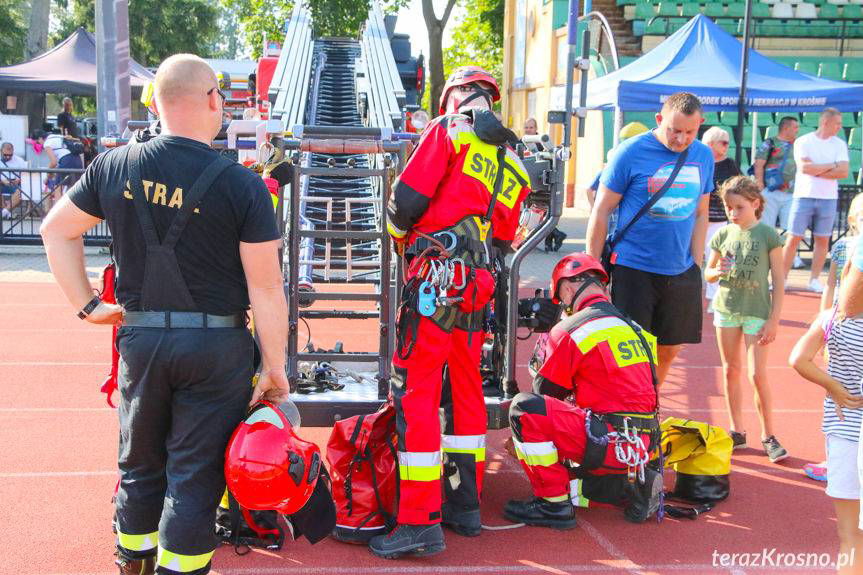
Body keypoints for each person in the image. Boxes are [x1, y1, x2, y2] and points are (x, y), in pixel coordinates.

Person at [39, 53, 290, 575]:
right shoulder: (242, 185)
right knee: (195, 474)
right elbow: (266, 287)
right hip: (216, 347)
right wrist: (274, 367)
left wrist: (87, 306)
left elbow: (55, 230)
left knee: (139, 463)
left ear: (153, 103)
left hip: (141, 339)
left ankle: (132, 563)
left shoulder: (115, 166)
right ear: (213, 101)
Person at [373, 65, 530, 559]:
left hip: (433, 280)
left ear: (456, 97)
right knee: (466, 391)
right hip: (475, 289)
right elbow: (503, 241)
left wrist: (402, 245)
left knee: (417, 395)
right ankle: (465, 506)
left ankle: (419, 520)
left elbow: (404, 203)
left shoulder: (450, 131)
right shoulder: (514, 163)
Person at [505, 253, 662, 529]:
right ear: (602, 287)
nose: (564, 306)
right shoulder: (636, 330)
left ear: (567, 289)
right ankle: (624, 486)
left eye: (562, 300)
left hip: (607, 442)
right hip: (643, 447)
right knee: (583, 484)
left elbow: (544, 397)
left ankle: (552, 504)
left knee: (524, 408)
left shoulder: (571, 329)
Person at [587, 92, 714, 386]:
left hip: (680, 270)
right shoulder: (630, 152)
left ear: (700, 125)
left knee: (669, 348)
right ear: (659, 120)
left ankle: (648, 406)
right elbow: (602, 209)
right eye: (674, 130)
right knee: (628, 351)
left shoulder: (703, 155)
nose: (681, 139)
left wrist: (695, 265)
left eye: (690, 132)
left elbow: (701, 213)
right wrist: (592, 268)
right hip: (634, 268)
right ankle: (624, 410)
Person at [705, 176, 787, 461]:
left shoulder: (767, 235)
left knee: (756, 374)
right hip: (727, 308)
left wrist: (774, 320)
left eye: (739, 207)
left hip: (757, 311)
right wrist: (717, 272)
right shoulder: (724, 234)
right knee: (730, 370)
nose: (733, 213)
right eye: (729, 207)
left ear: (755, 204)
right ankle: (736, 430)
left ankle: (769, 435)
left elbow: (778, 278)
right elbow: (709, 271)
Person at [790, 273, 863, 575]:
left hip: (844, 431)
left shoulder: (832, 317)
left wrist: (833, 386)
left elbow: (798, 359)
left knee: (849, 537)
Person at [782, 108, 849, 293]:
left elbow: (843, 172)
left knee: (823, 240)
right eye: (837, 123)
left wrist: (817, 168)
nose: (839, 127)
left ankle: (814, 279)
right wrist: (832, 166)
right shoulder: (804, 141)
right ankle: (782, 278)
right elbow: (804, 168)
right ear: (825, 122)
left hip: (828, 197)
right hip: (803, 195)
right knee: (793, 237)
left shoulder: (840, 144)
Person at [701, 127, 741, 311]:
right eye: (723, 142)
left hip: (717, 220)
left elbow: (739, 187)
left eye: (727, 142)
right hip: (695, 219)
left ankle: (713, 297)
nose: (726, 146)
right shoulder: (698, 161)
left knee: (714, 259)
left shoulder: (730, 165)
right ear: (711, 143)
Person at [522, 116, 566, 251]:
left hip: (542, 184)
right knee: (538, 215)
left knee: (543, 214)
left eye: (531, 127)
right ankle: (554, 236)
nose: (529, 130)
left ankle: (554, 236)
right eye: (527, 127)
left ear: (536, 128)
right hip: (529, 184)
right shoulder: (523, 140)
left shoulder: (542, 142)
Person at [755, 116, 799, 233]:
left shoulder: (799, 144)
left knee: (789, 229)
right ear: (785, 128)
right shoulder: (770, 143)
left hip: (791, 193)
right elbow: (759, 164)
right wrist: (759, 184)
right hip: (770, 191)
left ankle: (785, 251)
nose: (797, 130)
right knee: (766, 227)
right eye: (795, 127)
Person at [0, 142, 27, 219]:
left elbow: (26, 175)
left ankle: (4, 212)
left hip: (16, 184)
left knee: (23, 191)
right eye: (5, 155)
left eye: (10, 155)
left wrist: (18, 180)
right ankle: (6, 213)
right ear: (1, 151)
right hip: (2, 184)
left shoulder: (19, 160)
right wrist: (3, 181)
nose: (8, 157)